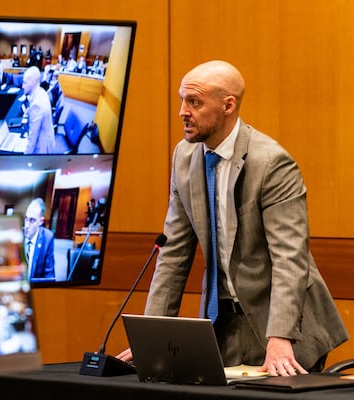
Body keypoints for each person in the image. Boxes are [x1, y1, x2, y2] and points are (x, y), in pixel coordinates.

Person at [116, 60, 348, 376]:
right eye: (182, 99)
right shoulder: (184, 158)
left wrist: (281, 336)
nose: (182, 111)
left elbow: (289, 258)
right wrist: (153, 336)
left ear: (228, 105)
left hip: (282, 328)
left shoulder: (271, 163)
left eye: (194, 102)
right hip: (222, 327)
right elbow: (173, 254)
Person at [21, 66, 55, 154]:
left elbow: (32, 138)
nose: (22, 86)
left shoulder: (37, 105)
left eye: (25, 83)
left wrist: (24, 159)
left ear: (32, 82)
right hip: (48, 140)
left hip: (42, 149)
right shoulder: (42, 92)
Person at [23, 198, 55, 282]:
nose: (26, 225)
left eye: (32, 220)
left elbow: (49, 276)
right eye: (26, 219)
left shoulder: (47, 238)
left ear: (41, 222)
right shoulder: (17, 235)